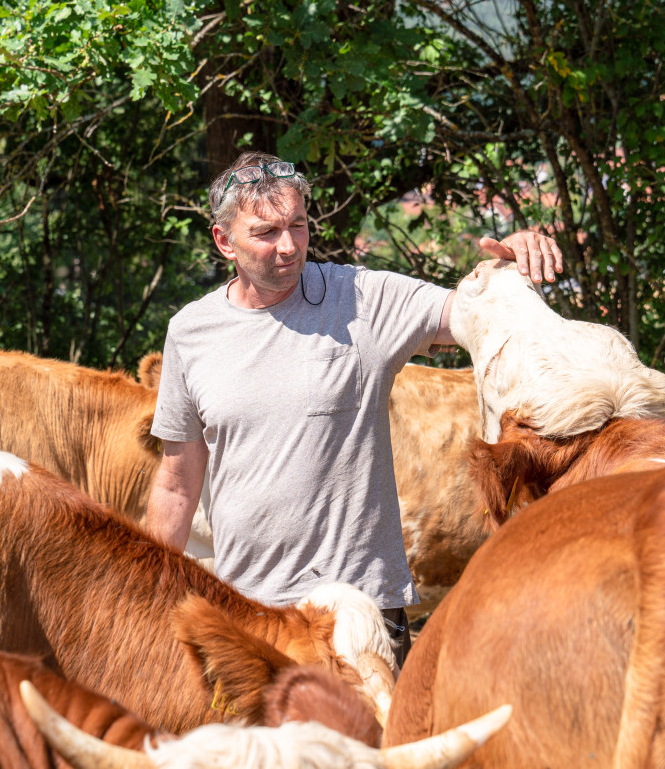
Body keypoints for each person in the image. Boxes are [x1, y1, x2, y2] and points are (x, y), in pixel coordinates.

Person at [146, 152, 562, 665]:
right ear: (223, 241)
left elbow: (474, 315)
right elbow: (175, 485)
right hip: (248, 617)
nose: (289, 246)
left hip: (358, 617)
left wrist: (510, 266)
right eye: (266, 232)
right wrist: (147, 600)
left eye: (298, 225)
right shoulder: (192, 332)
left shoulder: (361, 299)